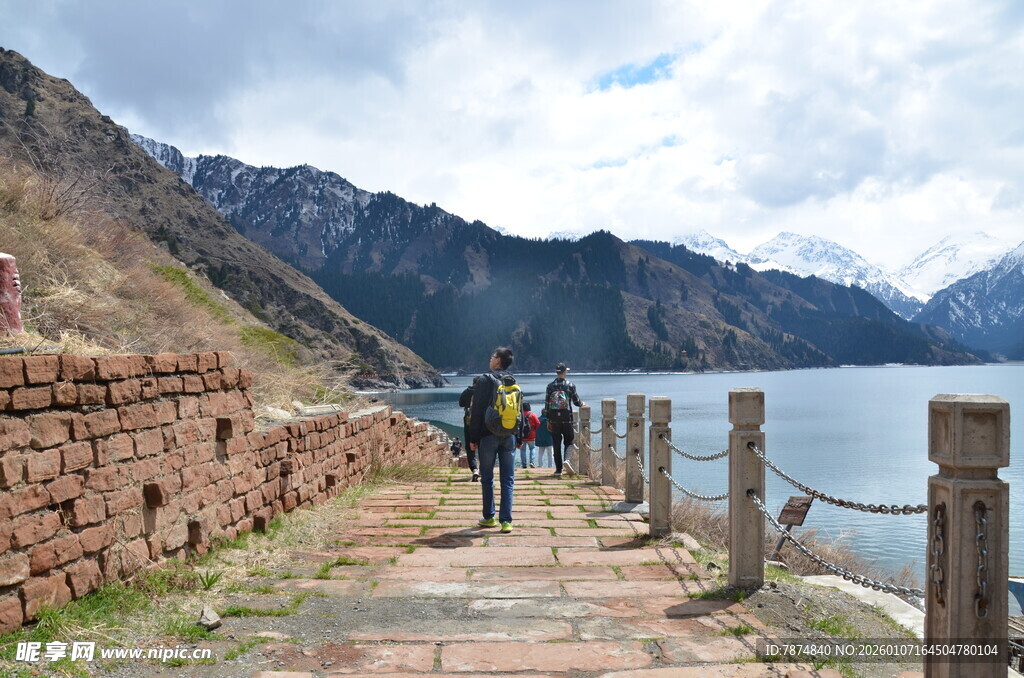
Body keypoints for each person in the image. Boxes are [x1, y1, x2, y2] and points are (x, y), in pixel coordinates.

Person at [467, 346, 517, 533]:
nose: (490, 358)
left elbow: (477, 411)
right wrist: (518, 435)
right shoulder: (511, 379)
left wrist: (473, 437)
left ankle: (489, 517)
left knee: (487, 477)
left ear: (498, 361)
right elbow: (517, 410)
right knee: (508, 478)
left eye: (493, 356)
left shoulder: (484, 380)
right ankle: (506, 521)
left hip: (488, 435)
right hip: (509, 434)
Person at [544, 361, 584, 478]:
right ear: (565, 371)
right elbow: (576, 402)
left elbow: (547, 405)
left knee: (556, 443)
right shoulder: (570, 385)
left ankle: (558, 469)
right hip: (567, 418)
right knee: (569, 441)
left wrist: (548, 420)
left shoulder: (550, 386)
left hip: (554, 419)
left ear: (556, 372)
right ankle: (567, 460)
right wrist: (582, 404)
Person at [458, 385, 479, 481]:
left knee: (469, 446)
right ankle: (484, 469)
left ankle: (475, 469)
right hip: (482, 423)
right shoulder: (485, 391)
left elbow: (461, 403)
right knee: (483, 445)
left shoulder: (467, 391)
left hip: (468, 421)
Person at [518, 402, 540, 469]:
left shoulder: (520, 415)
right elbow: (538, 423)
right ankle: (532, 461)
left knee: (522, 450)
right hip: (531, 435)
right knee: (532, 448)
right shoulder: (532, 415)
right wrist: (534, 429)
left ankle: (524, 464)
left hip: (522, 436)